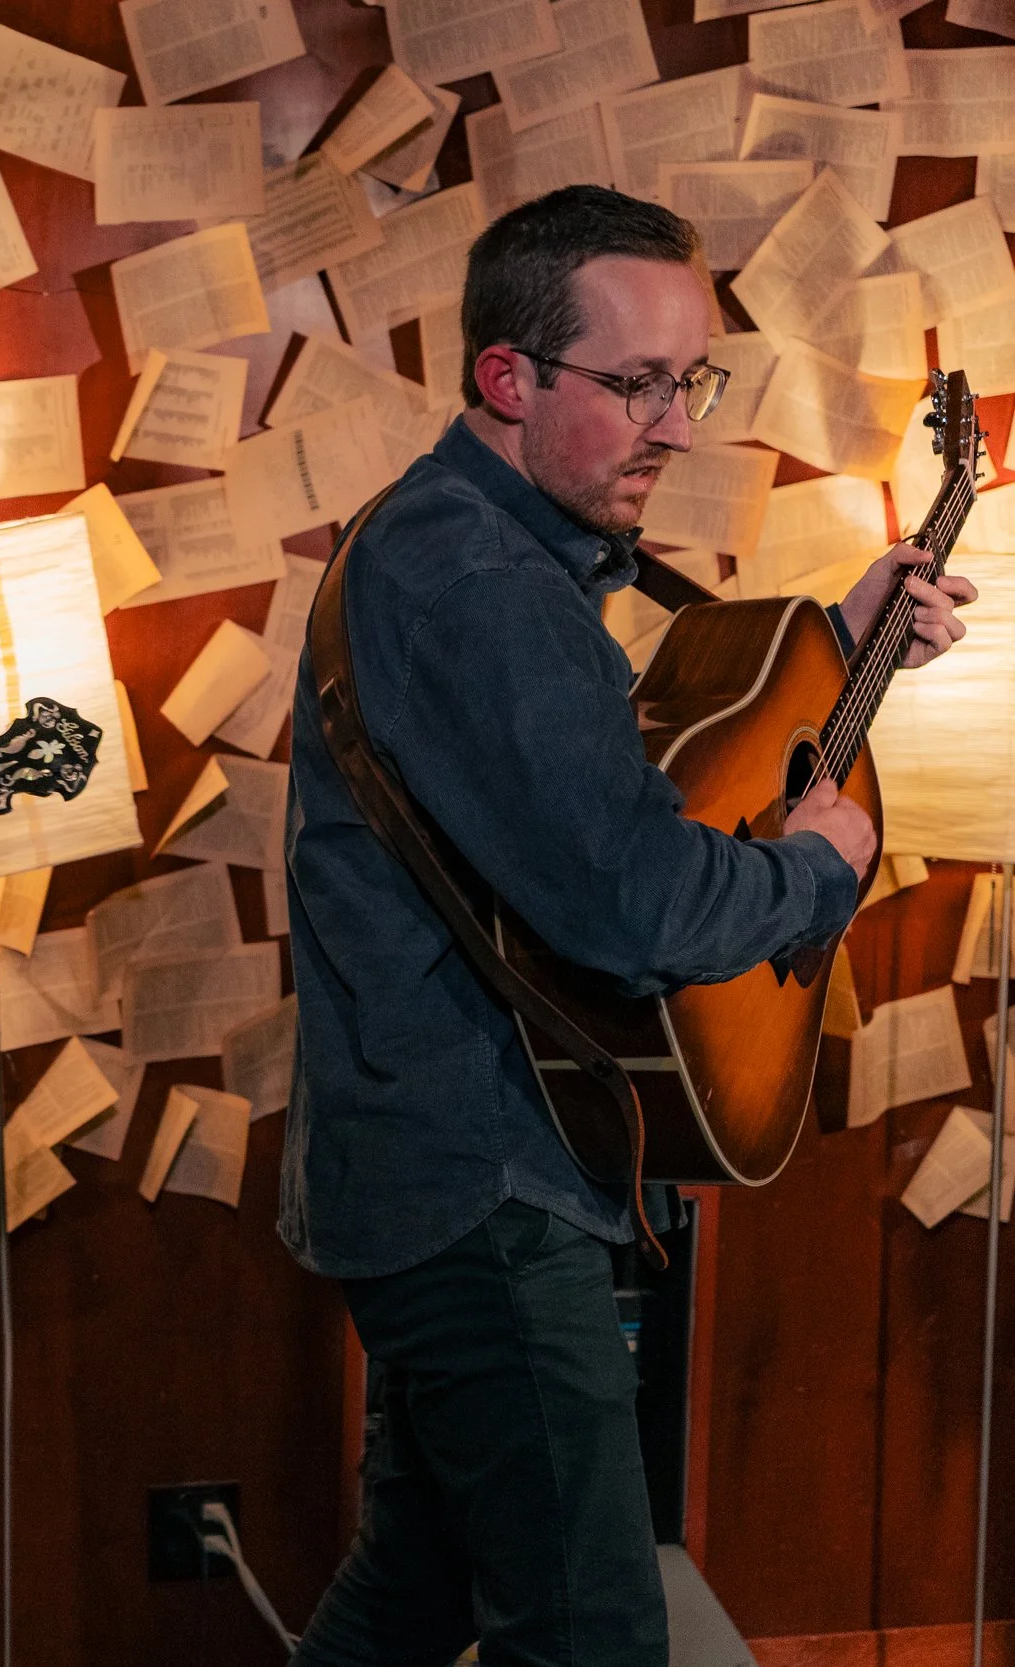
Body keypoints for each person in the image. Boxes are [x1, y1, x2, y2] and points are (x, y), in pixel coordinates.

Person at [281, 185, 974, 1664]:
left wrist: (840, 651)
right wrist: (818, 870)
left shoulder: (469, 541)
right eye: (638, 384)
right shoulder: (480, 585)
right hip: (481, 1185)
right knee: (593, 1631)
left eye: (693, 379)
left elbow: (599, 791)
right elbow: (634, 899)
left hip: (440, 1163)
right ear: (508, 378)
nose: (676, 423)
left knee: (420, 1585)